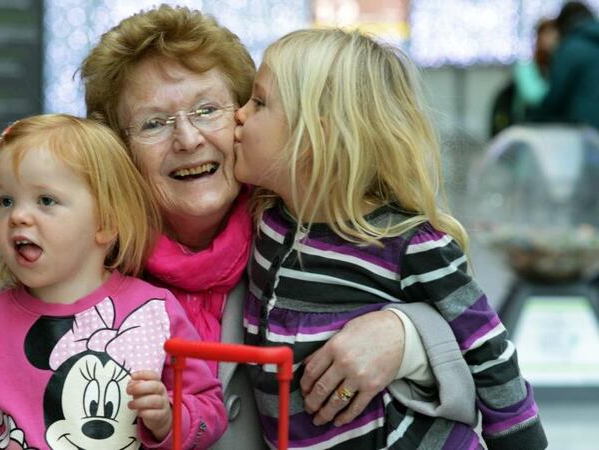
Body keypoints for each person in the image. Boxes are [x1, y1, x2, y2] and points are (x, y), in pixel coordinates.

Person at [80, 5, 477, 448]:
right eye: (154, 123)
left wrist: (404, 336)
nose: (188, 140)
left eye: (208, 109)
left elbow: (484, 354)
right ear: (118, 148)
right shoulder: (85, 263)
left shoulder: (306, 232)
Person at [234, 28, 548, 449]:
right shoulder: (270, 222)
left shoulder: (408, 243)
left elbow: (486, 344)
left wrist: (522, 442)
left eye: (259, 102)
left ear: (313, 138)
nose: (238, 113)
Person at [0, 114, 226, 450]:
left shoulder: (155, 312)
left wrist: (169, 419)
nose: (18, 215)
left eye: (45, 200)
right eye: (6, 201)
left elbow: (210, 410)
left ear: (105, 222)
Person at [531, 1, 599, 129]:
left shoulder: (570, 48)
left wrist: (532, 119)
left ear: (563, 25)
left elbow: (556, 99)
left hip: (585, 132)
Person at [490, 19, 558, 137]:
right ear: (538, 38)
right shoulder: (525, 68)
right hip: (527, 129)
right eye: (547, 34)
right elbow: (534, 97)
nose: (552, 39)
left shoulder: (557, 65)